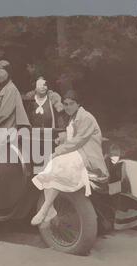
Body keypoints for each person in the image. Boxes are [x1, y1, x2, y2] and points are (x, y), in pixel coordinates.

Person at [30, 90, 109, 225]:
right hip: (79, 152)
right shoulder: (74, 117)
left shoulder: (86, 117)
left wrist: (58, 151)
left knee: (56, 161)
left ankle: (45, 208)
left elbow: (78, 140)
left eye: (71, 104)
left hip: (88, 155)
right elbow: (73, 137)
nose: (68, 107)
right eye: (65, 104)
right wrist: (61, 140)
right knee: (49, 165)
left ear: (78, 104)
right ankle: (49, 209)